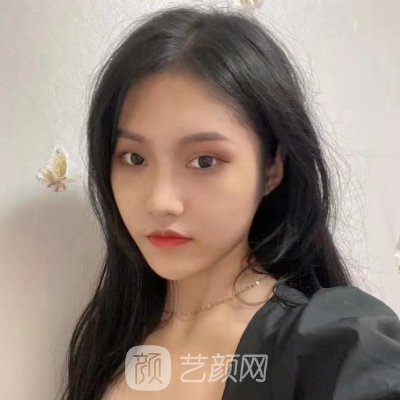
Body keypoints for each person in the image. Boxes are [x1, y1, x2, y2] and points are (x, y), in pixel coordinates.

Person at [58, 5, 400, 400]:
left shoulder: (333, 343)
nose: (161, 202)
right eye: (134, 158)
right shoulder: (111, 336)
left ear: (271, 169)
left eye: (205, 161)